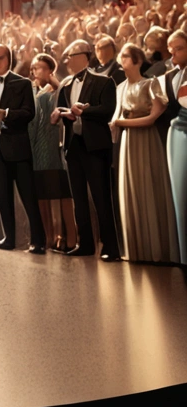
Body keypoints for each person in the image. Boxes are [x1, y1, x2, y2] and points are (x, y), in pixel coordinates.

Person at [50, 40, 120, 261]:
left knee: (101, 197)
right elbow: (62, 109)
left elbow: (108, 110)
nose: (67, 60)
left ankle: (110, 246)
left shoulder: (104, 82)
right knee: (78, 199)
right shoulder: (67, 84)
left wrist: (83, 111)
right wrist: (60, 114)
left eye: (70, 55)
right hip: (73, 146)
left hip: (95, 146)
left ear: (84, 55)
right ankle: (85, 243)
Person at [110, 43, 178, 264]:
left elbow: (152, 118)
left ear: (138, 60)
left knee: (149, 187)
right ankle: (137, 250)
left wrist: (121, 122)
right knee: (132, 190)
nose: (122, 61)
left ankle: (157, 251)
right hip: (128, 142)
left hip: (146, 140)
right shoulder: (120, 87)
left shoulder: (151, 84)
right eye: (121, 57)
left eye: (126, 57)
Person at [0, 45, 45, 253]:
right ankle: (9, 238)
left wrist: (5, 114)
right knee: (2, 196)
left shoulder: (22, 82)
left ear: (7, 59)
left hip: (17, 145)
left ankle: (38, 241)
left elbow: (29, 113)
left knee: (28, 196)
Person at [29, 53, 76, 253]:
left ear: (50, 70)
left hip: (53, 147)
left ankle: (68, 237)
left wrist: (52, 81)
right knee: (42, 194)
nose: (36, 71)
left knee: (61, 192)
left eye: (40, 67)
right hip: (37, 147)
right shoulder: (35, 91)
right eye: (34, 68)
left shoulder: (56, 88)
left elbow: (64, 95)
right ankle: (48, 237)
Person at [164, 30, 187, 265]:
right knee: (181, 197)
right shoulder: (169, 76)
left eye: (179, 47)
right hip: (177, 138)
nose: (173, 52)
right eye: (171, 48)